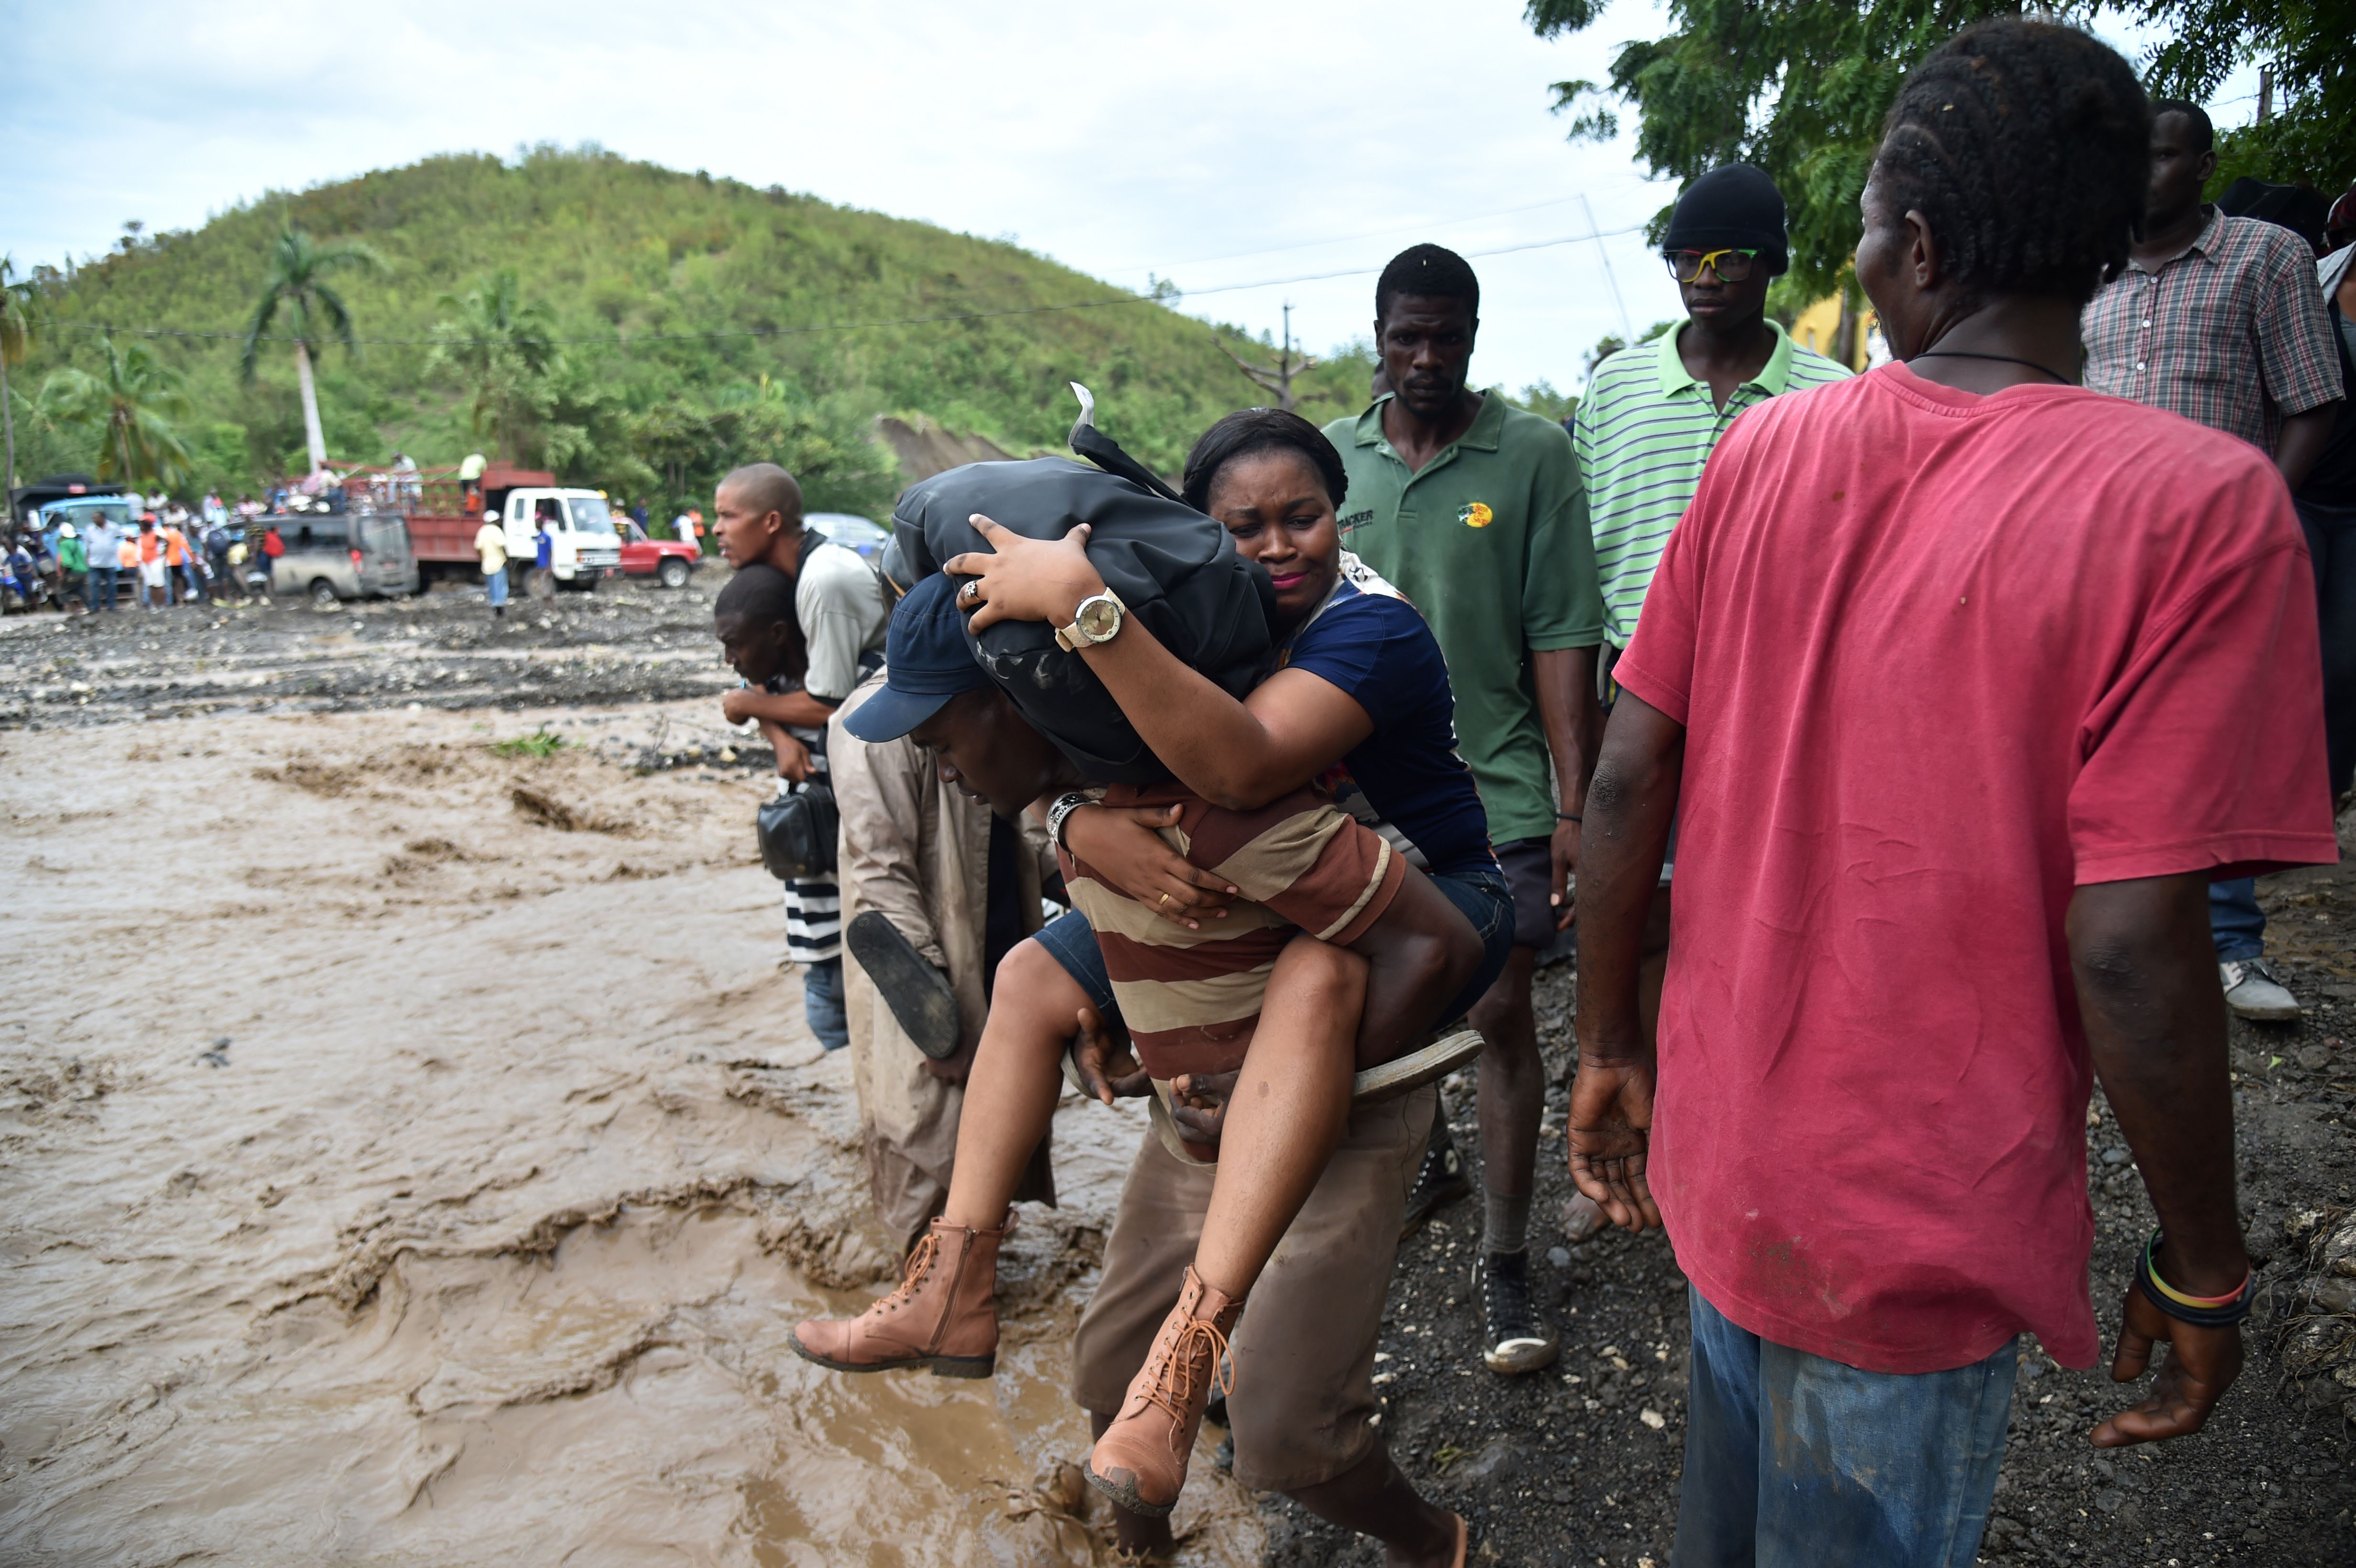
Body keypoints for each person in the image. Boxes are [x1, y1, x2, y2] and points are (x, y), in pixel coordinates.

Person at [1568, 22, 2335, 1563]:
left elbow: (1630, 770)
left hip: (1725, 1168)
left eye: (1860, 230)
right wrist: (2198, 1264)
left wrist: (1603, 1041)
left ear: (1913, 247)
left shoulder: (1765, 452)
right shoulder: (2195, 508)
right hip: (1916, 1228)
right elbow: (2127, 940)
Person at [795, 570, 1483, 1553]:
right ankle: (977, 1306)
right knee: (1107, 1371)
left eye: (945, 739)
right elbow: (1095, 957)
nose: (937, 767)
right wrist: (1120, 1018)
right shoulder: (1082, 816)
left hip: (1331, 1106)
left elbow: (1436, 944)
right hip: (1196, 1109)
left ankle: (1434, 1542)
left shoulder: (1217, 807)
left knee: (1286, 1438)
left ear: (1020, 701)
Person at [1323, 242, 1607, 1374]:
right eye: (1407, 336)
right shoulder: (1331, 462)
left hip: (1493, 793)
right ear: (1378, 335)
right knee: (1383, 1006)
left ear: (1475, 337)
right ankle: (1426, 1164)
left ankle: (1503, 1257)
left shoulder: (1532, 454)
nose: (1426, 357)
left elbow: (1561, 635)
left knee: (1497, 1017)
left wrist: (1577, 804)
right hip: (1351, 798)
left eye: (1447, 336)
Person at [1575, 162, 1851, 1081]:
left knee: (1758, 903)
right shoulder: (1614, 389)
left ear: (1768, 264)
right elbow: (1585, 554)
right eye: (1683, 259)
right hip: (1636, 687)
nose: (1701, 277)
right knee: (1639, 908)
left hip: (1772, 693)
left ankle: (1742, 1097)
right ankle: (1644, 1116)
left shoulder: (1828, 393)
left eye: (1725, 259)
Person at [2080, 97, 2347, 1024]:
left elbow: (2311, 398)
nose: (2138, 176)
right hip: (2090, 547)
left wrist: (2260, 507)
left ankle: (2229, 947)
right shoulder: (2084, 266)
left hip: (2215, 548)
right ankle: (2088, 923)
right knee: (2090, 733)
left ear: (2198, 165)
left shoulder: (2266, 257)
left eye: (2158, 158)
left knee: (2208, 736)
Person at [829, 627, 1062, 1253]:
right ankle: (926, 1295)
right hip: (926, 968)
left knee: (993, 1137)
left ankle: (973, 1286)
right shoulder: (869, 724)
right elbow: (879, 873)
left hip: (1001, 940)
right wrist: (932, 1016)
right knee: (921, 1131)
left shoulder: (998, 692)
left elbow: (1030, 821)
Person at [713, 463, 891, 1054]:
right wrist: (774, 727)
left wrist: (748, 705)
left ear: (770, 522)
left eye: (727, 515)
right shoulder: (777, 577)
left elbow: (828, 702)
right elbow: (764, 674)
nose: (716, 529)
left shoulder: (824, 580)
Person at [2299, 223, 2356, 809]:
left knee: (2343, 661)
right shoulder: (2316, 280)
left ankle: (2326, 788)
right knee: (2282, 653)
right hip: (2302, 493)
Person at [473, 510, 509, 621]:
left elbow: (478, 548)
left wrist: (482, 560)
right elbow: (503, 545)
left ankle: (495, 609)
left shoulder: (482, 531)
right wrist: (507, 558)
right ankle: (500, 613)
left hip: (487, 565)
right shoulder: (497, 531)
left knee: (493, 588)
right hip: (499, 563)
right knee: (501, 588)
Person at [135, 518, 168, 609]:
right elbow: (139, 549)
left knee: (159, 584)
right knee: (151, 584)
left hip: (155, 561)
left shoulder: (155, 535)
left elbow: (166, 542)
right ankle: (154, 604)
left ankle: (162, 604)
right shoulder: (141, 536)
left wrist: (163, 553)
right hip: (145, 562)